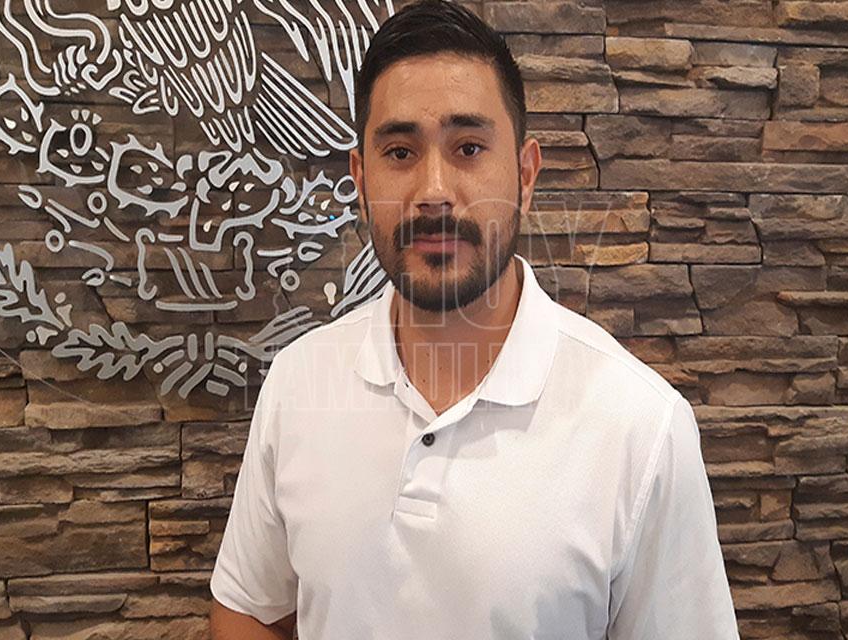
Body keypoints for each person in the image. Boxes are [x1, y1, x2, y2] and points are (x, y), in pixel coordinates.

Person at [209, 1, 741, 638]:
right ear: (361, 179)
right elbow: (248, 606)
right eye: (400, 152)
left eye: (467, 148)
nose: (434, 191)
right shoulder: (299, 381)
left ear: (525, 175)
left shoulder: (642, 427)